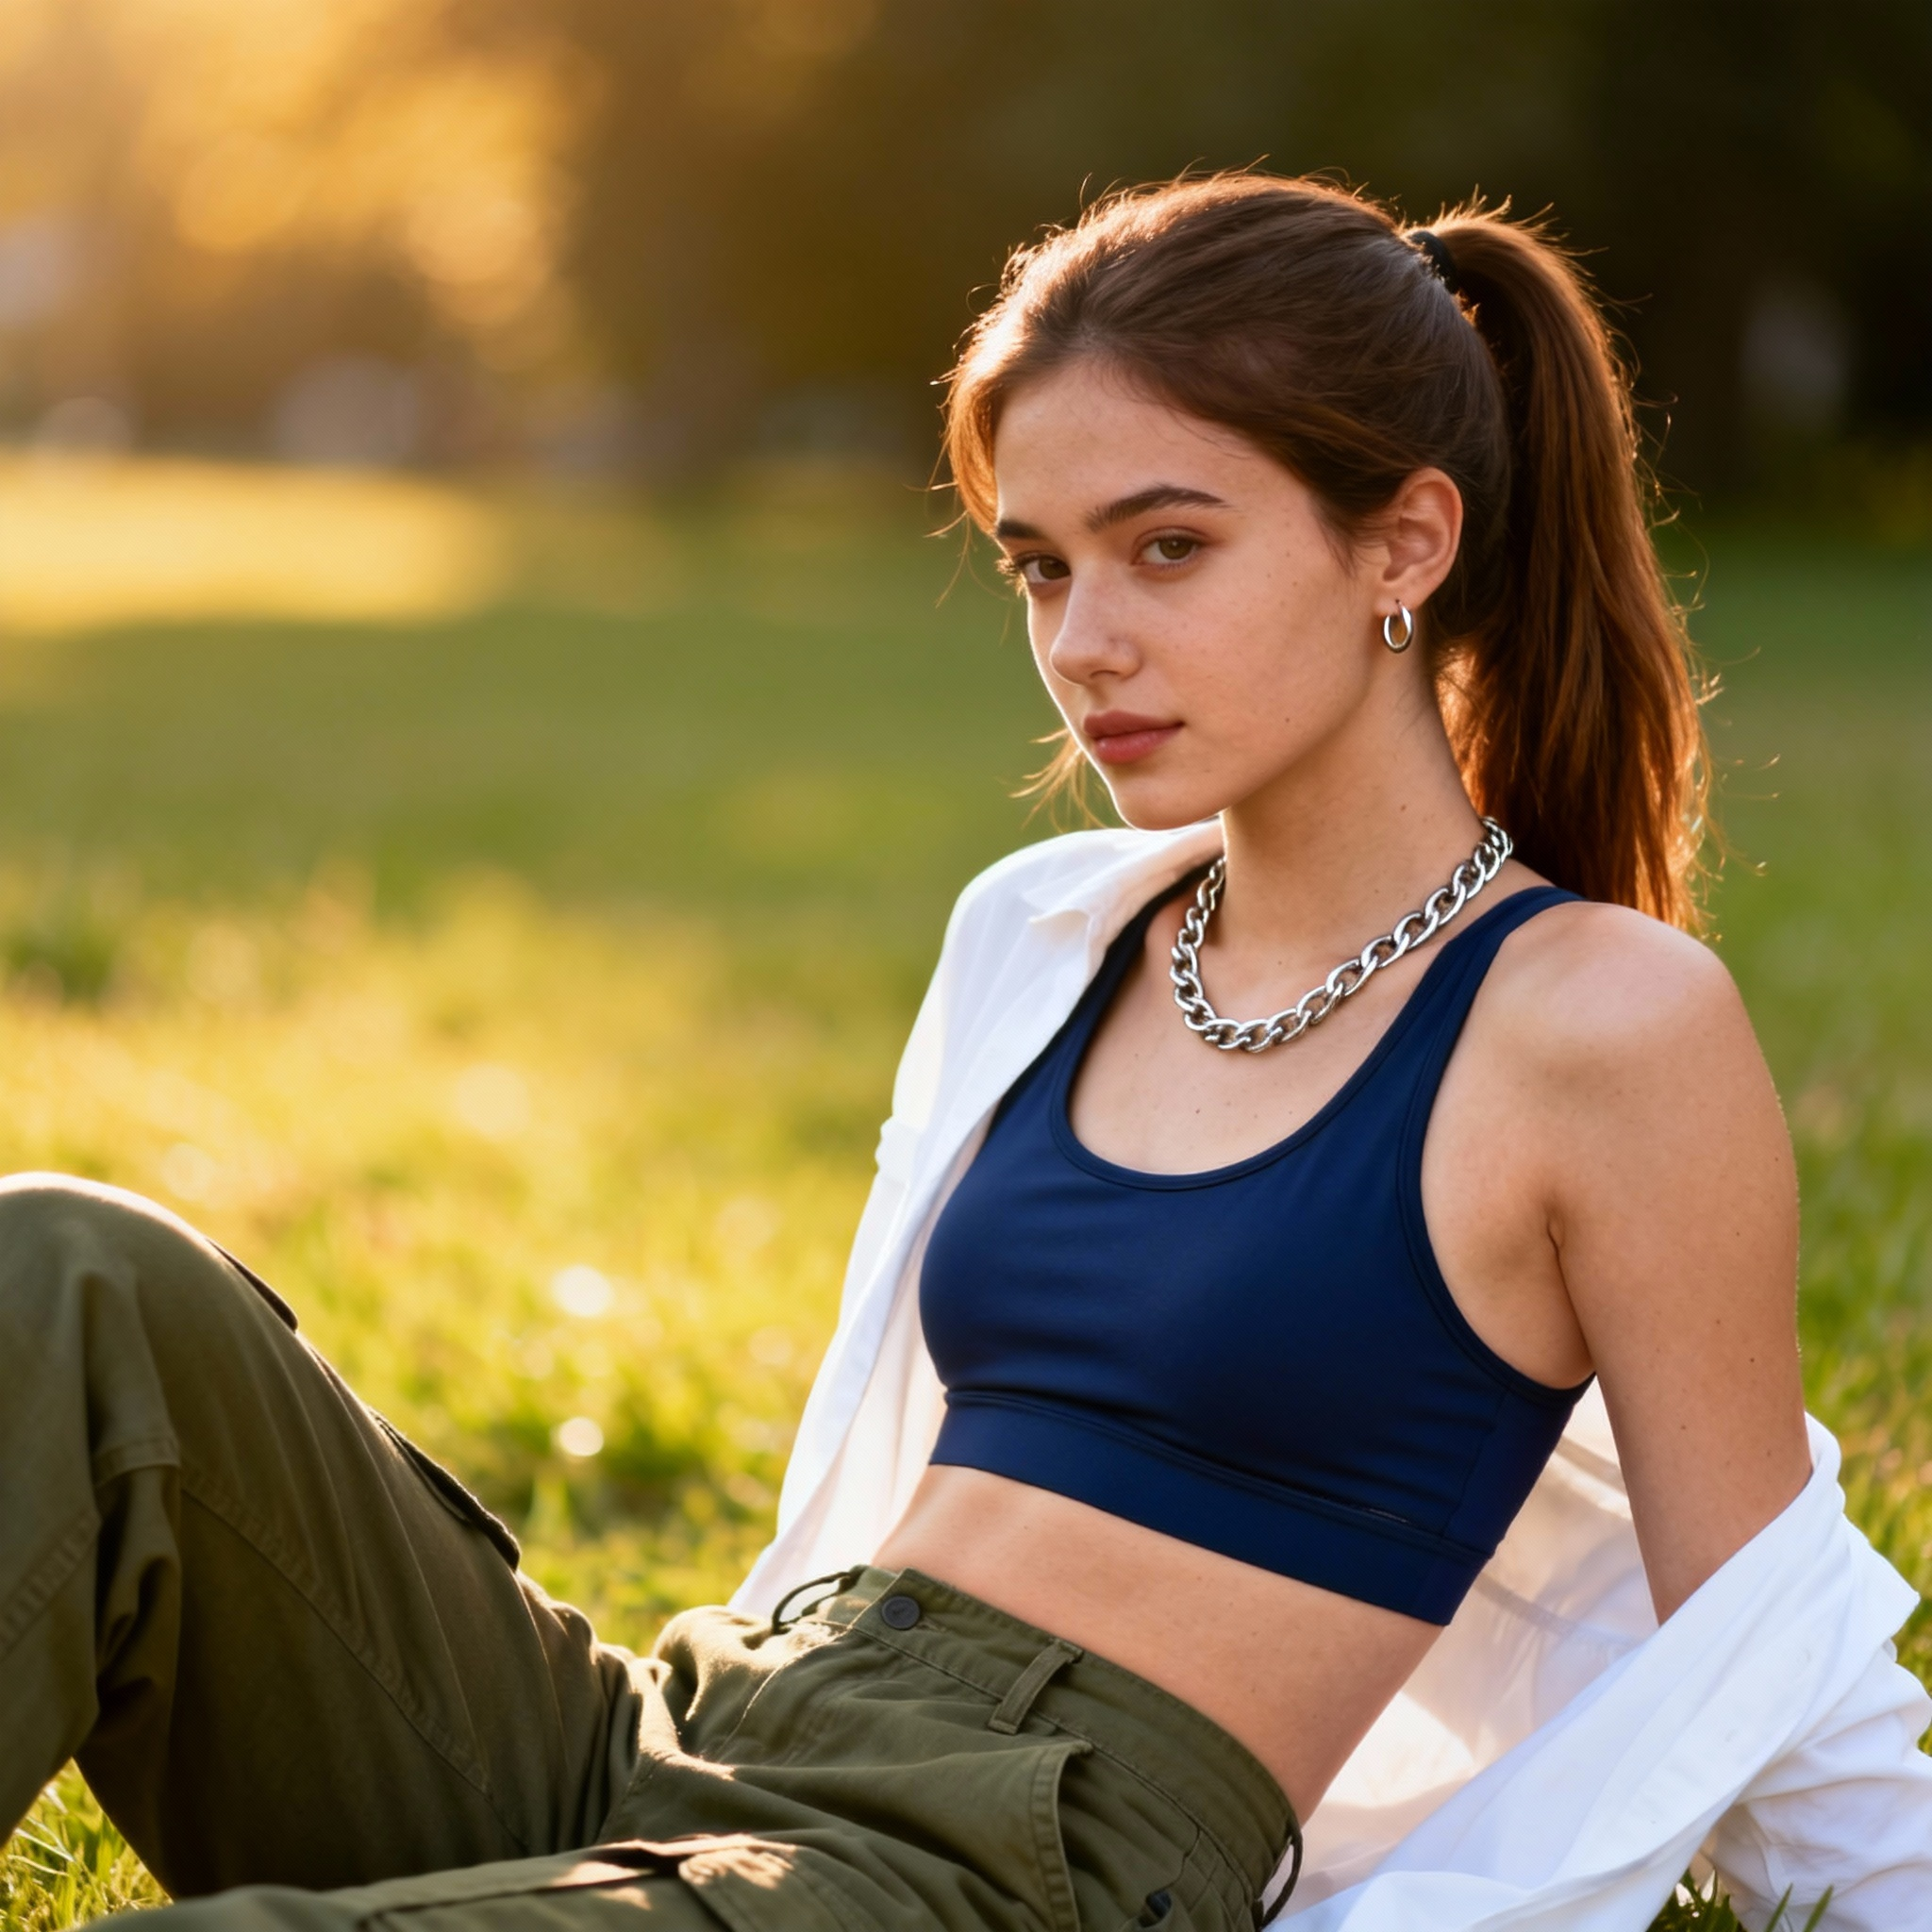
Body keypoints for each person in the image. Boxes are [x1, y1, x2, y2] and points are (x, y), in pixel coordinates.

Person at [1, 174, 1926, 1932]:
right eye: (1039, 567)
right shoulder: (1052, 936)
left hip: (994, 1874)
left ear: (1401, 540)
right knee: (74, 1272)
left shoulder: (1597, 1021)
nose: (1085, 640)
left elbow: (1770, 1629)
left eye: (1166, 548)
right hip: (702, 1729)